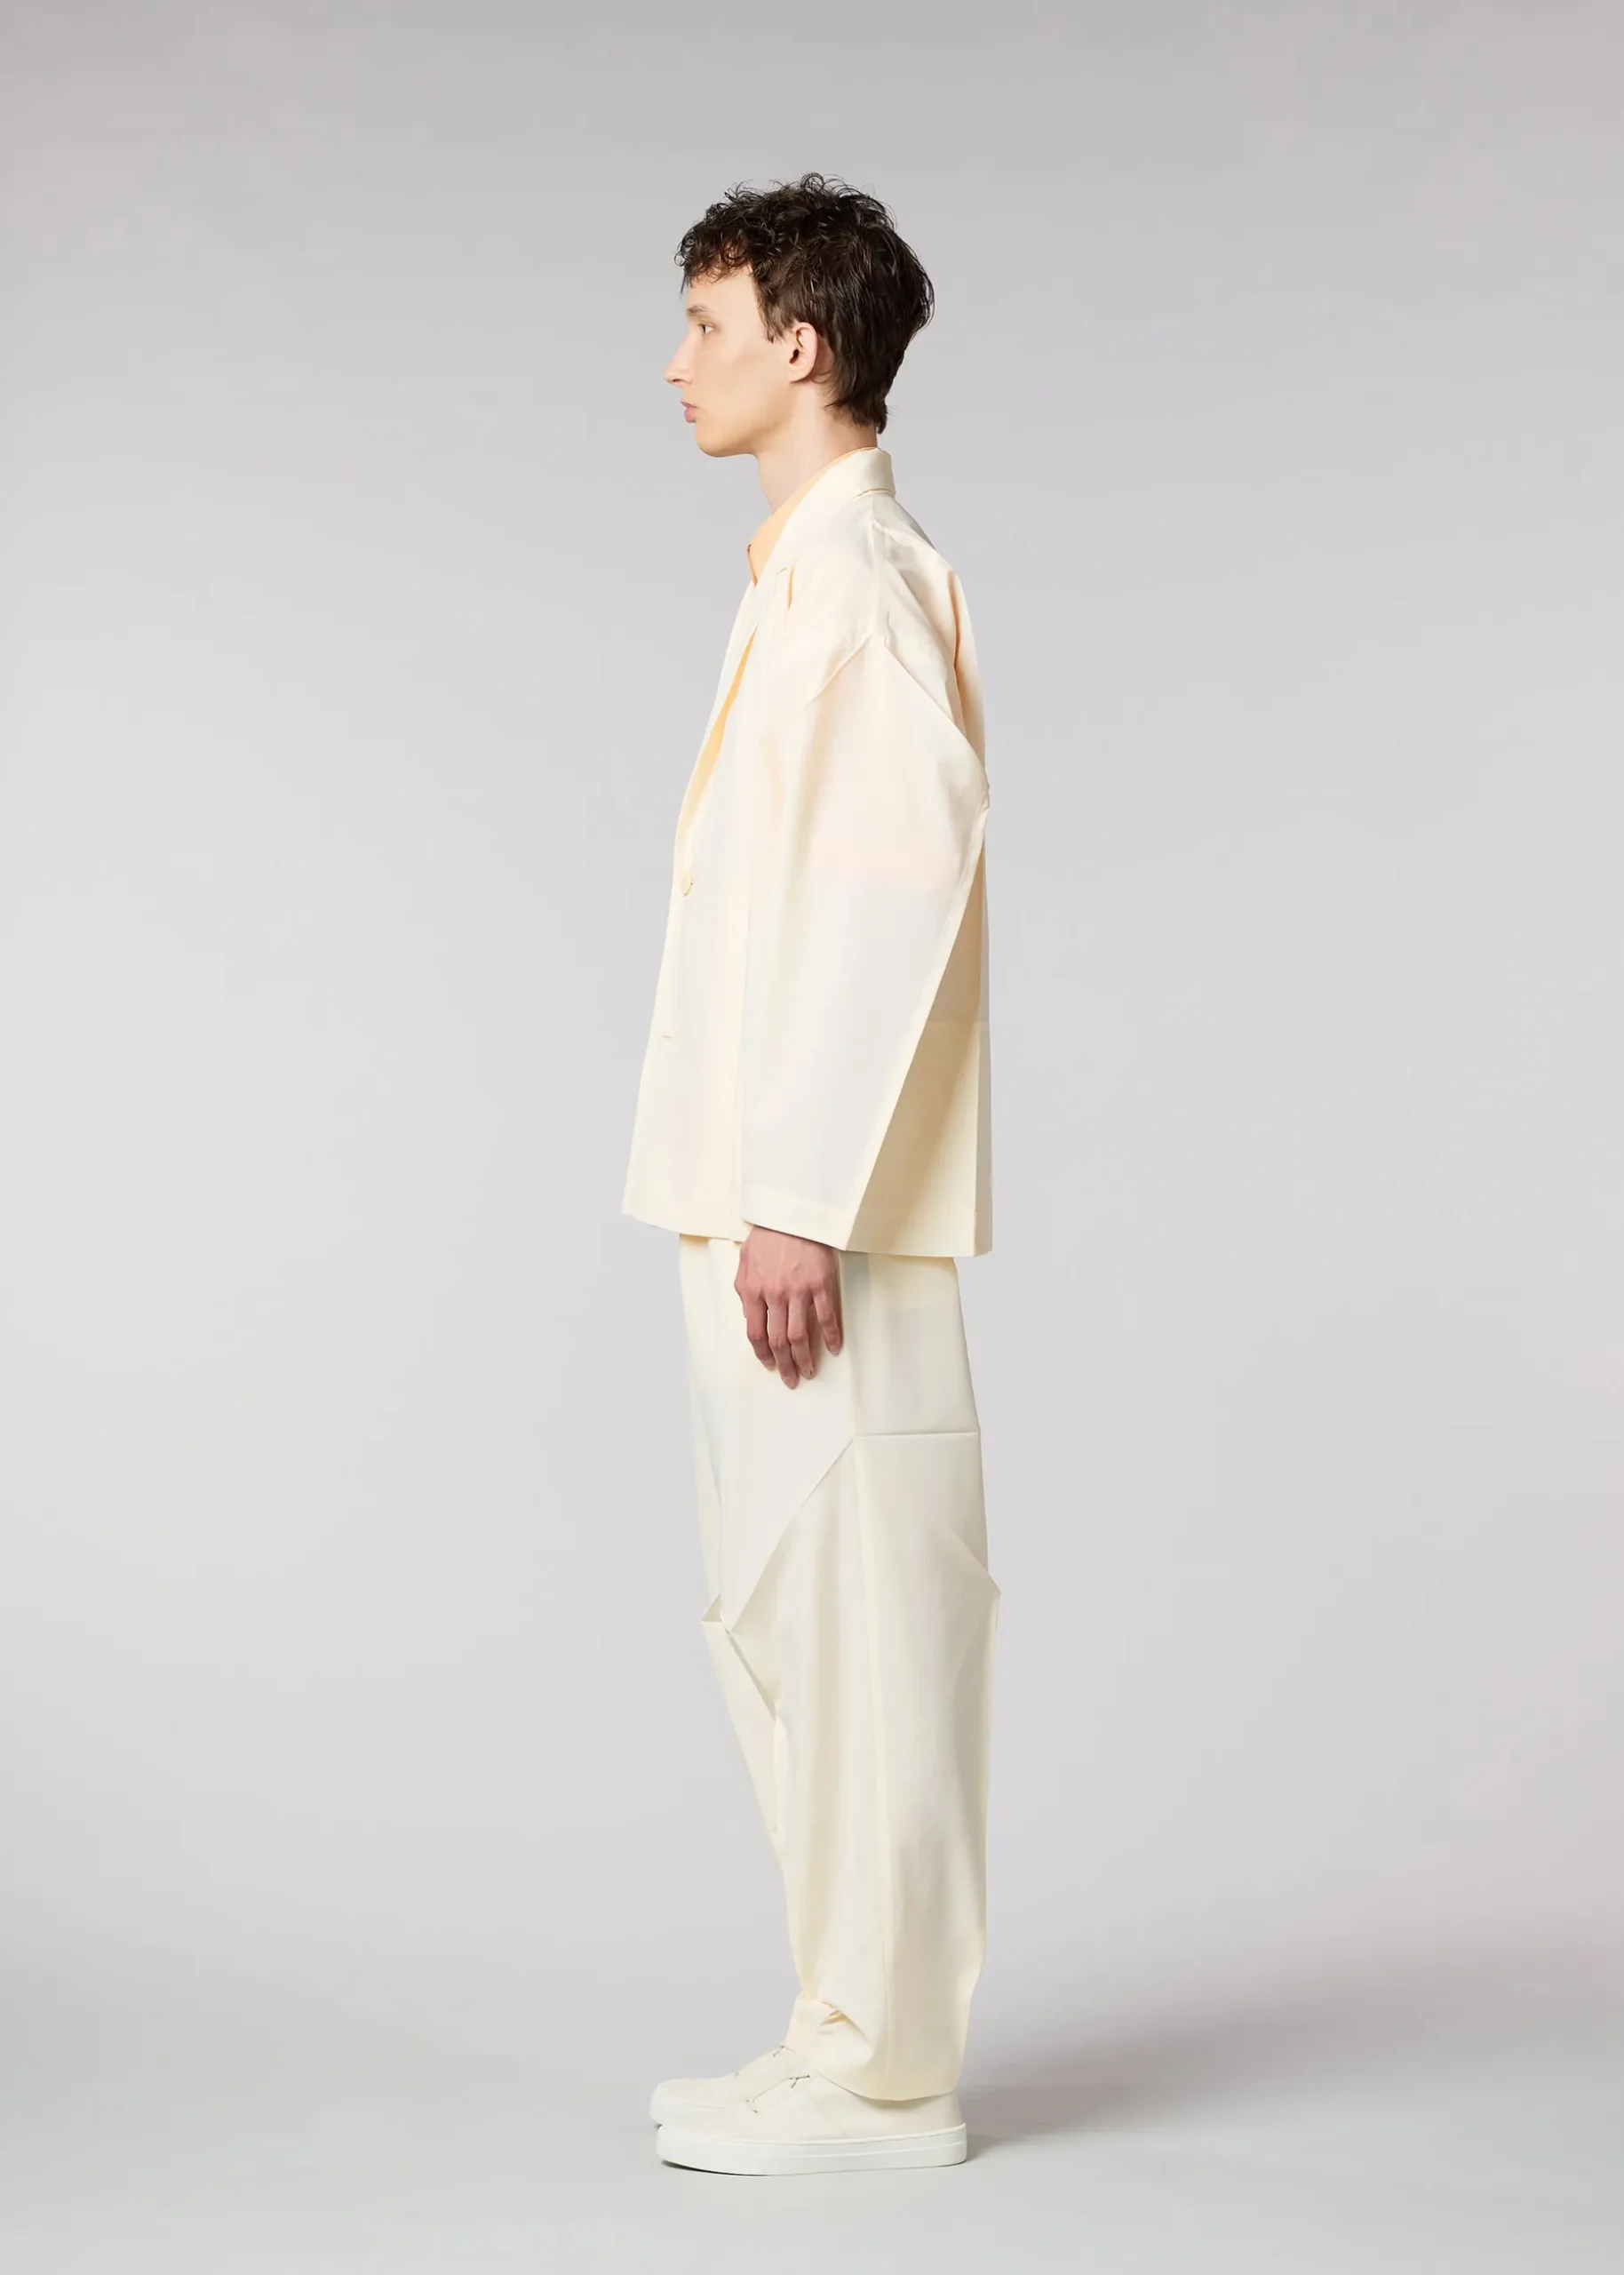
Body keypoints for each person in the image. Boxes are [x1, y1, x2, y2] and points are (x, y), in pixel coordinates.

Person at [621, 172, 999, 2178]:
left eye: (705, 324)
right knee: (782, 1611)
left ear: (800, 344)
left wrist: (800, 1197)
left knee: (859, 1622)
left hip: (803, 1211)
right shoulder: (798, 575)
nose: (674, 363)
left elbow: (886, 890)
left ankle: (885, 2079)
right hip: (753, 1193)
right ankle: (837, 2030)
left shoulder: (857, 579)